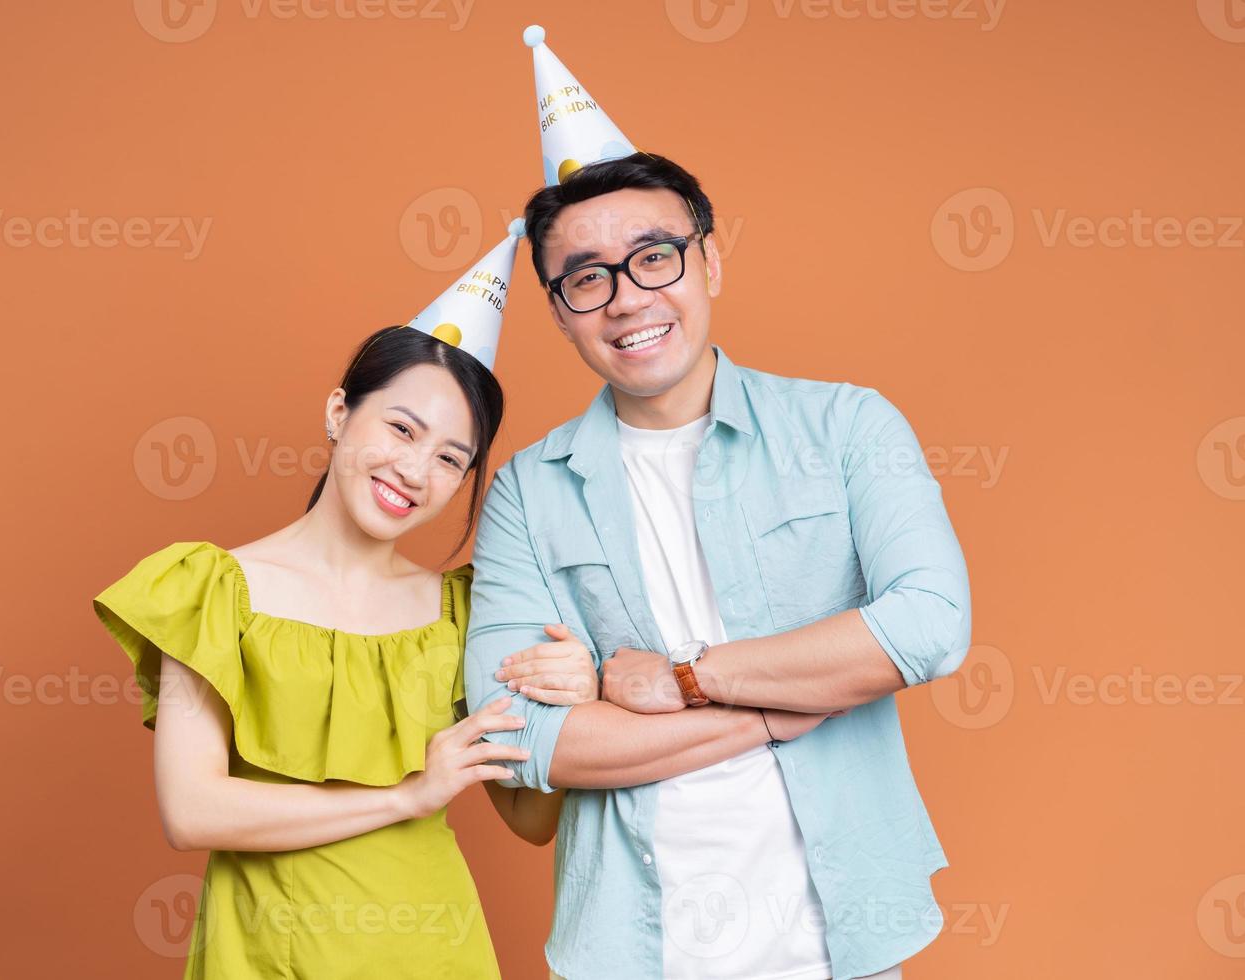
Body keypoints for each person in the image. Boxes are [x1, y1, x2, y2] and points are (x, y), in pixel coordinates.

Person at [464, 150, 971, 980]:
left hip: (844, 936)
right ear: (559, 313)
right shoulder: (528, 490)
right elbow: (524, 741)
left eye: (655, 257)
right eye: (587, 279)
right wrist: (773, 713)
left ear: (710, 260)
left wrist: (681, 678)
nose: (628, 298)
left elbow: (928, 627)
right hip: (630, 946)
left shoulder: (847, 427)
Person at [94, 309, 597, 971]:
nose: (415, 471)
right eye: (401, 428)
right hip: (267, 956)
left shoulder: (462, 613)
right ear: (338, 413)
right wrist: (406, 796)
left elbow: (529, 820)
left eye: (451, 458)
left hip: (436, 953)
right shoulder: (214, 590)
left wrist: (572, 701)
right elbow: (193, 811)